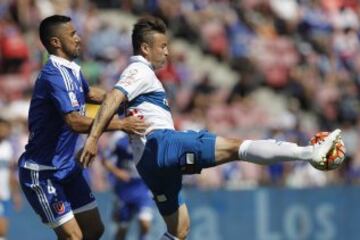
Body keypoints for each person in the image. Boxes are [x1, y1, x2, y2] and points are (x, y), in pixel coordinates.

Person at [79, 16, 345, 240]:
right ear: (145, 49)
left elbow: (111, 97)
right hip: (162, 144)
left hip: (148, 163)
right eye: (162, 46)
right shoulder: (139, 71)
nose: (168, 52)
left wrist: (90, 94)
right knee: (235, 147)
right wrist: (93, 137)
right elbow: (115, 95)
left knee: (179, 229)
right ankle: (309, 153)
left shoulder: (139, 79)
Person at [17, 15, 147, 240]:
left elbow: (89, 94)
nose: (78, 39)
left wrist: (119, 98)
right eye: (72, 34)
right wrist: (121, 124)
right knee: (73, 237)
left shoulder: (73, 70)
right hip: (43, 172)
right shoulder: (54, 75)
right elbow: (74, 121)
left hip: (67, 169)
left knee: (94, 230)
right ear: (56, 42)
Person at [102, 132, 153, 240]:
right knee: (122, 228)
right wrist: (117, 172)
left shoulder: (149, 136)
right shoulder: (118, 137)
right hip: (124, 189)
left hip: (142, 186)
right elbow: (104, 159)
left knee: (145, 223)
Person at [0, 118, 22, 240]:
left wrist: (15, 193)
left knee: (3, 231)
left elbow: (10, 173)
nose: (3, 131)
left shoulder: (8, 147)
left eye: (5, 129)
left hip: (5, 194)